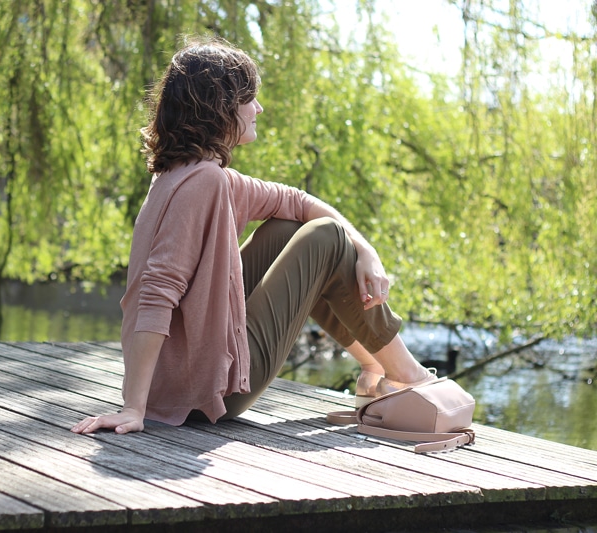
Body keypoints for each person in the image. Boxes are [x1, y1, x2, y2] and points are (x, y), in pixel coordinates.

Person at [71, 37, 435, 436]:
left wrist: (366, 250)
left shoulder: (191, 174)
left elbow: (296, 200)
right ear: (221, 106)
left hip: (182, 381)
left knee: (287, 227)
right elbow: (156, 291)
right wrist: (134, 407)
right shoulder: (203, 182)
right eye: (250, 99)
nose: (258, 108)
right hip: (205, 393)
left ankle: (374, 368)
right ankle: (410, 376)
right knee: (327, 236)